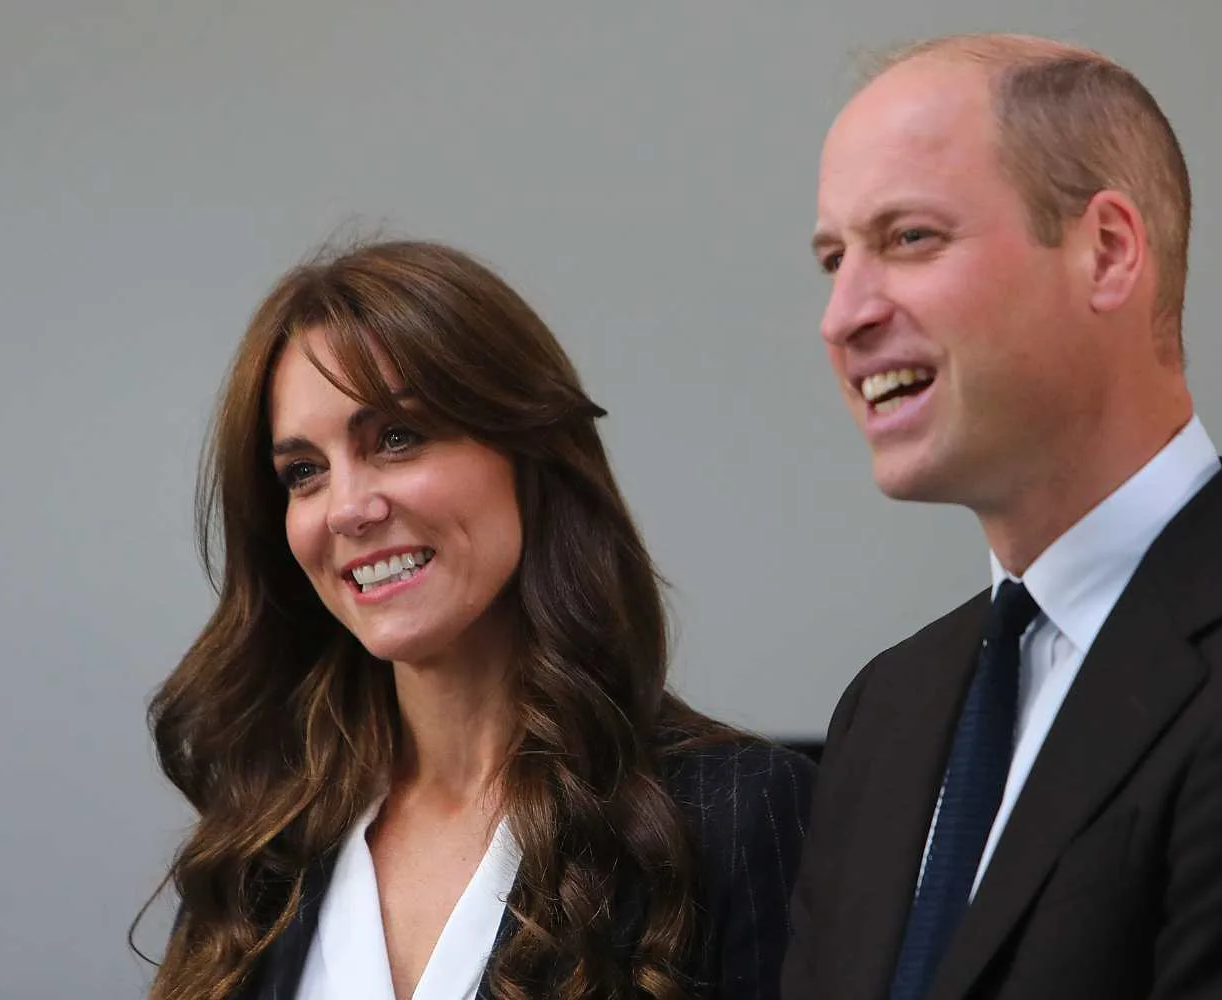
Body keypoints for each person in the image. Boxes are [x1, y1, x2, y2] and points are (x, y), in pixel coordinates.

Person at [784, 33, 1222, 1000]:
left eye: (909, 239)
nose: (843, 313)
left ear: (1107, 252)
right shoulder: (885, 712)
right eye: (831, 257)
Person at [141, 239, 814, 1000]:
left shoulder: (734, 815)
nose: (349, 510)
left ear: (530, 451)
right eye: (304, 472)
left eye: (396, 438)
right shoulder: (259, 852)